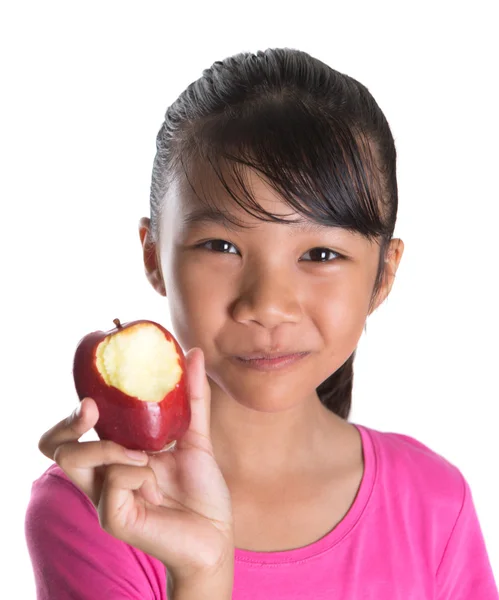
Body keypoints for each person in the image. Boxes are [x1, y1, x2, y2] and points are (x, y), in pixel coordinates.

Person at [25, 48, 498, 599]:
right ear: (153, 255)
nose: (268, 305)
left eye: (320, 254)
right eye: (222, 245)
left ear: (383, 274)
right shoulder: (99, 508)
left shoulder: (435, 502)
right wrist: (198, 572)